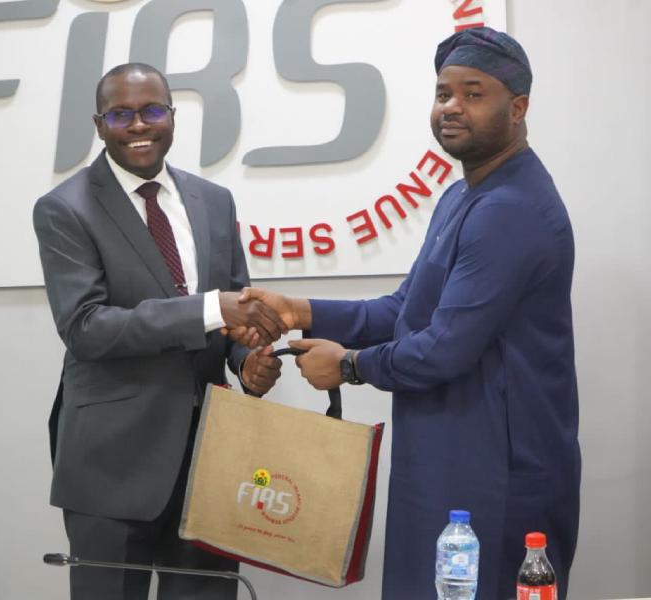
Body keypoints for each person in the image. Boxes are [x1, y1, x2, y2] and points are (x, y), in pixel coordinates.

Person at [230, 27, 581, 600]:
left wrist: (348, 367)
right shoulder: (462, 195)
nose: (452, 108)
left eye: (473, 94)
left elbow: (444, 347)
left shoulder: (512, 209)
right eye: (443, 93)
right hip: (445, 454)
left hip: (497, 469)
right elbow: (403, 310)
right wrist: (298, 310)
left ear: (517, 108)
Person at [33, 62, 285, 600]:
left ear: (171, 116)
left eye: (151, 111)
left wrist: (249, 364)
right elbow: (86, 328)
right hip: (111, 465)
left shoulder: (214, 202)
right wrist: (210, 309)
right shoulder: (63, 210)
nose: (138, 125)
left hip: (210, 463)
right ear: (99, 125)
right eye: (120, 114)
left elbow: (234, 317)